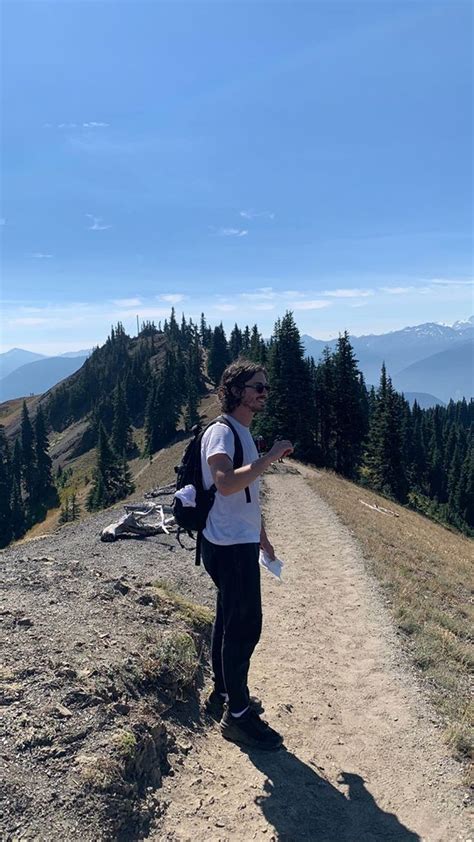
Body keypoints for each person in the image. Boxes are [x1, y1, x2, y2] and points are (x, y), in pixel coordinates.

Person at [200, 359, 293, 750]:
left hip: (237, 540)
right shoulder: (221, 433)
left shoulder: (241, 431)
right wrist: (269, 458)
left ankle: (223, 695)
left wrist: (262, 536)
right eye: (257, 387)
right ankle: (237, 716)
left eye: (266, 388)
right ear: (235, 390)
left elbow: (246, 495)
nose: (263, 394)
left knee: (229, 618)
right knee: (246, 624)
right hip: (226, 545)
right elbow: (224, 484)